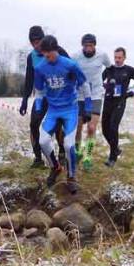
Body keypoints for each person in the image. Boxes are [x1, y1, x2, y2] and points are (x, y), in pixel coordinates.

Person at [33, 35, 91, 194]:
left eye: (50, 54)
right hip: (53, 109)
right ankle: (55, 167)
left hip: (70, 109)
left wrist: (87, 106)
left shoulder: (70, 65)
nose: (47, 58)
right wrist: (38, 106)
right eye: (45, 55)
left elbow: (84, 84)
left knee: (68, 144)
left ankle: (72, 176)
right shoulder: (40, 68)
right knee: (43, 141)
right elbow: (39, 90)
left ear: (56, 50)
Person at [19, 26, 70, 168]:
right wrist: (24, 100)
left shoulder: (58, 50)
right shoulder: (31, 57)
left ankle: (61, 154)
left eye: (38, 41)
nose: (36, 45)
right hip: (41, 96)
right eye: (33, 42)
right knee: (33, 124)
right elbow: (29, 80)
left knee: (59, 124)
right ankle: (38, 158)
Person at [73, 33, 111, 171]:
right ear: (82, 46)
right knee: (77, 127)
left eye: (91, 45)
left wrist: (105, 82)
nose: (88, 48)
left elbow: (110, 68)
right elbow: (69, 71)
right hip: (80, 96)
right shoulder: (75, 56)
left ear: (95, 45)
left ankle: (88, 156)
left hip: (95, 95)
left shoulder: (102, 55)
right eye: (86, 46)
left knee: (91, 128)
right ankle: (78, 152)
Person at [101, 47, 134, 167]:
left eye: (119, 57)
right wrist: (103, 88)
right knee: (105, 129)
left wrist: (133, 92)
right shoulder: (109, 69)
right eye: (115, 57)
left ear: (124, 57)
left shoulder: (129, 70)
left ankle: (112, 157)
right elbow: (99, 81)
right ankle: (116, 148)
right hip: (108, 100)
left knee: (113, 127)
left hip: (120, 101)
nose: (117, 60)